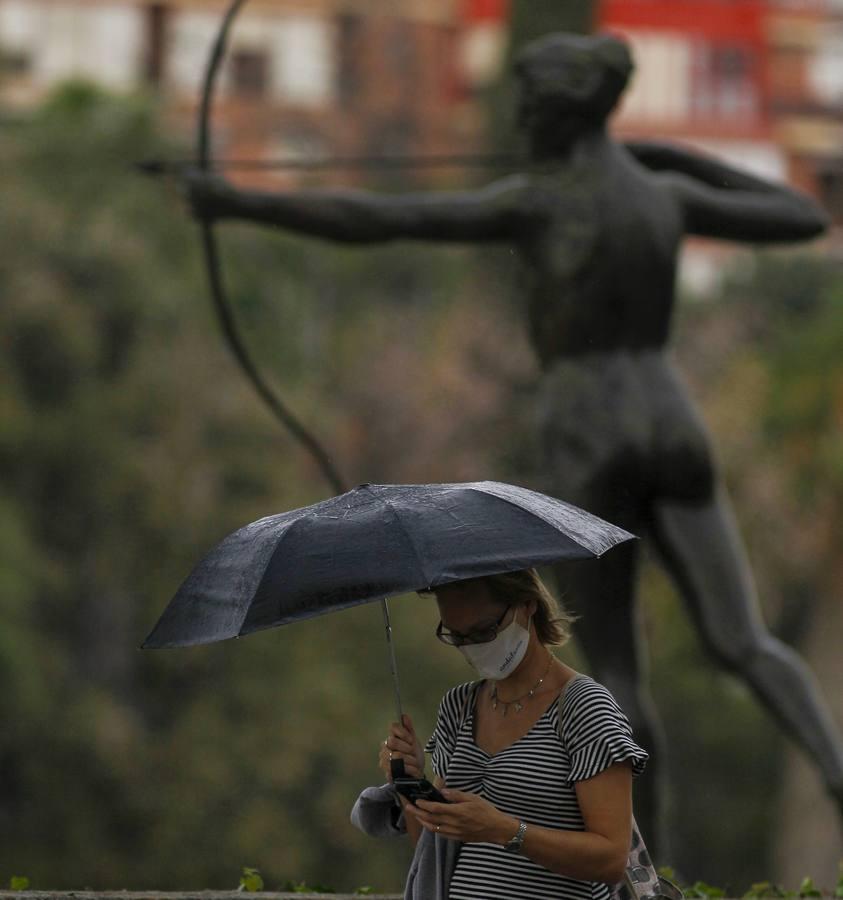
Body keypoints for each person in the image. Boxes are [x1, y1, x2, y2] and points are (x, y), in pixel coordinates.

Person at [185, 32, 843, 849]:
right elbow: (799, 211)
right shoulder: (658, 192)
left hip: (584, 426)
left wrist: (237, 200)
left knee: (618, 670)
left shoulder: (536, 200)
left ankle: (645, 871)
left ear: (561, 110)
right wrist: (668, 157)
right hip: (671, 418)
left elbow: (375, 220)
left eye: (531, 104)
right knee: (743, 639)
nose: (521, 117)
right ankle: (836, 768)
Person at [377, 569, 648, 900]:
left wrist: (505, 830)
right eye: (457, 636)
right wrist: (410, 782)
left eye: (484, 631)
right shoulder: (458, 706)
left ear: (527, 605)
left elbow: (611, 860)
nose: (472, 648)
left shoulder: (582, 707)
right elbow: (434, 848)